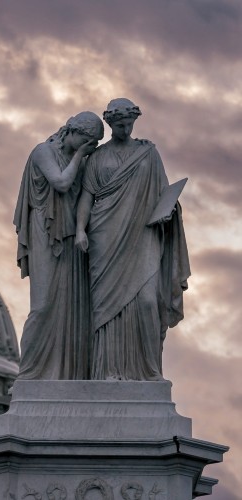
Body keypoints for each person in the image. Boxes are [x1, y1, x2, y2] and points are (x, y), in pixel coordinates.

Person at [75, 98, 190, 381]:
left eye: (128, 124)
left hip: (143, 235)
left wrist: (169, 210)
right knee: (105, 308)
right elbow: (86, 197)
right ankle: (108, 371)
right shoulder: (98, 158)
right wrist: (79, 229)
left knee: (148, 302)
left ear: (134, 122)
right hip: (105, 236)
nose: (124, 128)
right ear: (110, 125)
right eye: (118, 125)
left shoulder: (148, 154)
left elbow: (164, 193)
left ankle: (149, 371)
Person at [14, 111, 103, 380]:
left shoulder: (83, 162)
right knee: (42, 306)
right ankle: (29, 374)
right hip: (45, 228)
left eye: (96, 144)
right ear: (74, 133)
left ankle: (66, 374)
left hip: (72, 237)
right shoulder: (44, 151)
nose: (93, 148)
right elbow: (61, 183)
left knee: (71, 309)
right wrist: (80, 156)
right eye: (90, 142)